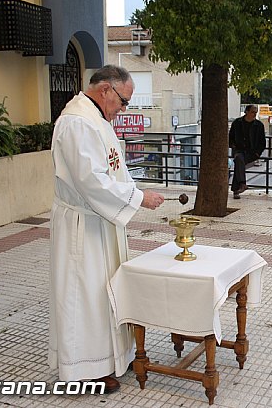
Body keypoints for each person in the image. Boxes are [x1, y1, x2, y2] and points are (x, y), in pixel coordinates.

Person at [49, 65, 165, 392]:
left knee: (103, 293)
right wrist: (138, 198)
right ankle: (83, 369)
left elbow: (116, 172)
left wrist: (137, 192)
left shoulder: (98, 120)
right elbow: (92, 182)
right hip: (81, 226)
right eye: (123, 101)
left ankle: (109, 358)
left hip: (101, 222)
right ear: (105, 91)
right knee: (82, 296)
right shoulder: (77, 123)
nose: (123, 109)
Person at [228, 105, 266, 199]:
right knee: (239, 160)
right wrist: (233, 146)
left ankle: (239, 186)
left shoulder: (259, 125)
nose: (254, 114)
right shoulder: (237, 123)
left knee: (238, 161)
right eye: (253, 112)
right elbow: (231, 137)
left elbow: (262, 142)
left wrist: (257, 153)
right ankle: (240, 186)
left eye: (256, 112)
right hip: (239, 150)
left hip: (252, 152)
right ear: (247, 112)